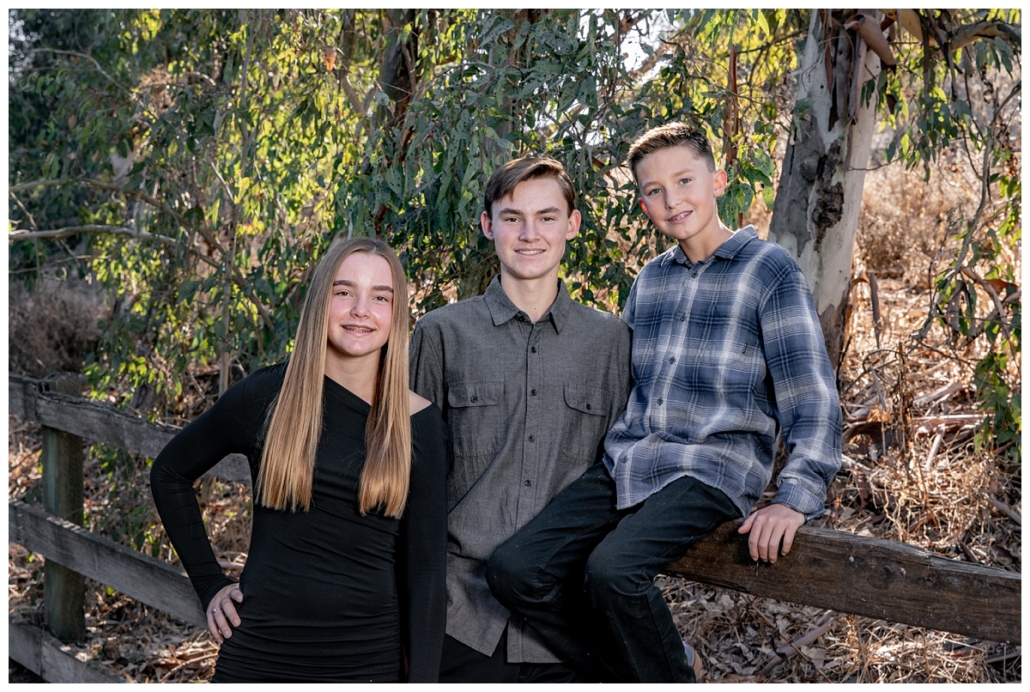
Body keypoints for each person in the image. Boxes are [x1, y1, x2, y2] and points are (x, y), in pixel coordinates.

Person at [487, 122, 843, 683]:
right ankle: (646, 667)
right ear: (643, 201)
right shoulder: (651, 281)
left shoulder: (767, 271)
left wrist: (795, 496)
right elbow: (628, 388)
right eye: (654, 190)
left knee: (612, 571)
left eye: (684, 180)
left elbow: (811, 395)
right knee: (514, 570)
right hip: (632, 461)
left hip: (711, 468)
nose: (672, 199)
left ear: (717, 180)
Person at [150, 237, 447, 682]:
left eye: (380, 297)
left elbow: (426, 576)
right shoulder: (268, 397)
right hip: (258, 655)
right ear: (320, 300)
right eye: (344, 292)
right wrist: (210, 584)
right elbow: (169, 473)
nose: (361, 309)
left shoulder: (419, 423)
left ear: (397, 313)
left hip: (365, 663)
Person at [409, 156, 632, 682]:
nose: (530, 234)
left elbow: (625, 479)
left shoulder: (611, 343)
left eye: (547, 216)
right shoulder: (441, 334)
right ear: (489, 225)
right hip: (459, 619)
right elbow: (403, 479)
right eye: (512, 217)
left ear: (572, 226)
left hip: (568, 626)